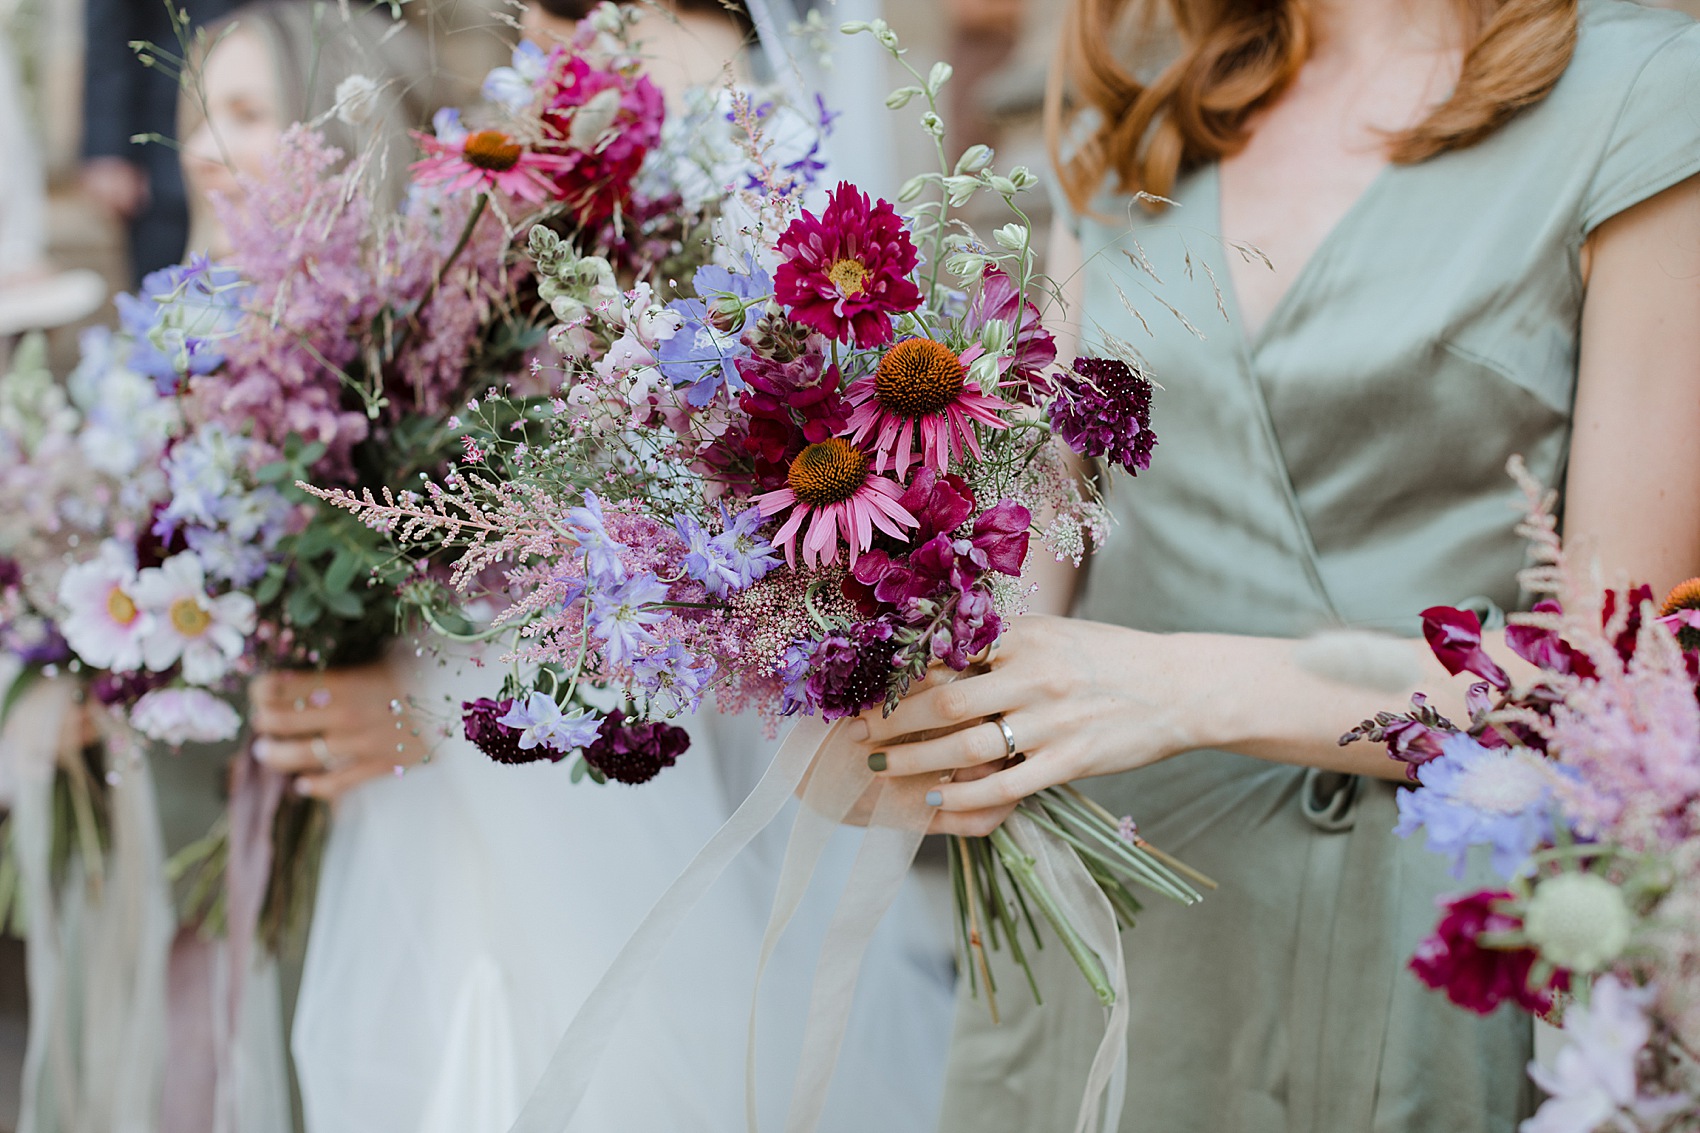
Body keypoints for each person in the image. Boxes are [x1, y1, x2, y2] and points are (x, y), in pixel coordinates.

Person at [849, 0, 1700, 1129]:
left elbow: (1613, 687)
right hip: (1106, 918)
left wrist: (1175, 686)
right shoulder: (1138, 112)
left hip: (1419, 939)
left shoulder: (1640, 98)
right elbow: (1027, 559)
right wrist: (855, 655)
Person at [240, 5, 956, 1130]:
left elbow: (715, 603)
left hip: (612, 823)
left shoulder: (746, 164)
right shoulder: (541, 126)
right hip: (477, 825)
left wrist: (441, 700)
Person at [81, 0, 242, 283]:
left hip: (290, 97)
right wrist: (108, 149)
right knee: (166, 286)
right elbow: (109, 35)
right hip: (164, 139)